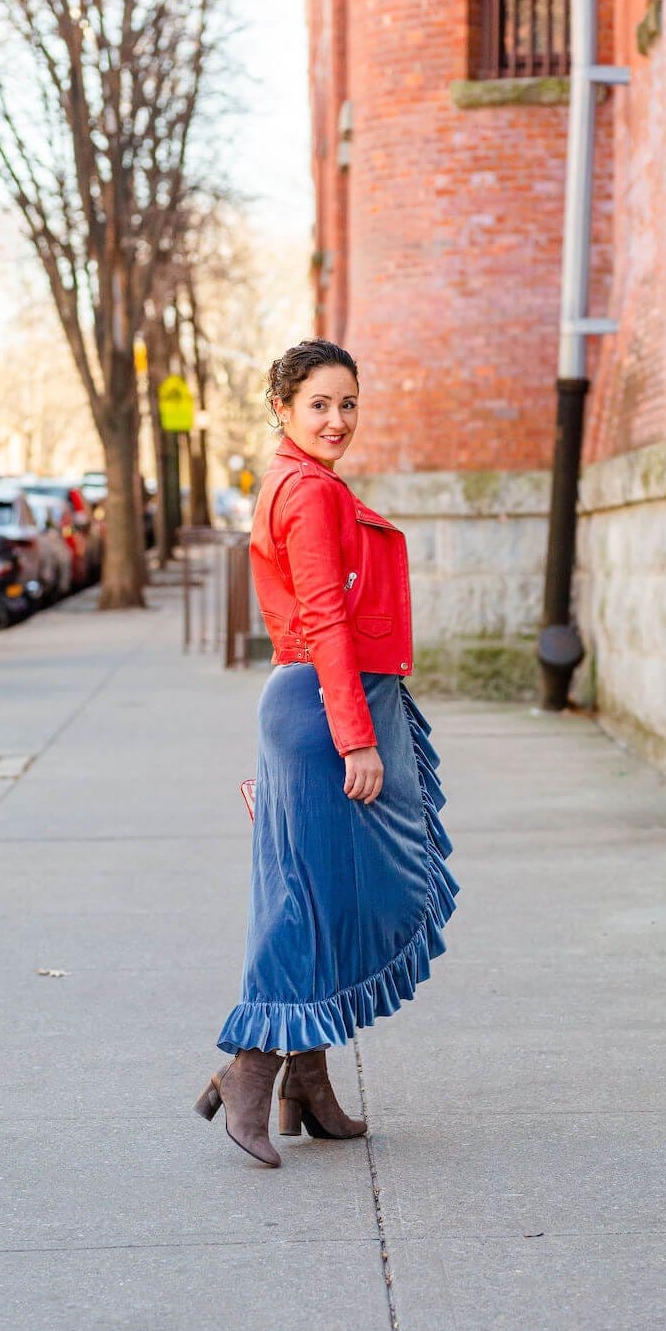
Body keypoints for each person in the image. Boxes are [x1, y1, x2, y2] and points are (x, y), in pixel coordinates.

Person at [194, 339, 458, 1166]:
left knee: (330, 894)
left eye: (349, 403)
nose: (337, 420)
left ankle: (302, 1075)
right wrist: (357, 738)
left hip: (321, 699)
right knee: (310, 898)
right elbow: (325, 621)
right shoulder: (306, 494)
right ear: (282, 409)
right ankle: (251, 1067)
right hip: (322, 706)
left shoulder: (308, 484)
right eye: (319, 405)